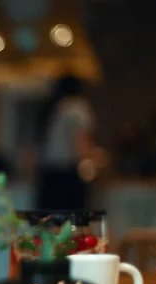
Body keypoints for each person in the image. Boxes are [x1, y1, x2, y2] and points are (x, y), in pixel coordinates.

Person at [35, 74, 97, 210]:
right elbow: (81, 145)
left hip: (47, 177)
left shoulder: (52, 108)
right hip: (68, 177)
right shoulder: (77, 108)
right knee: (72, 226)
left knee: (49, 225)